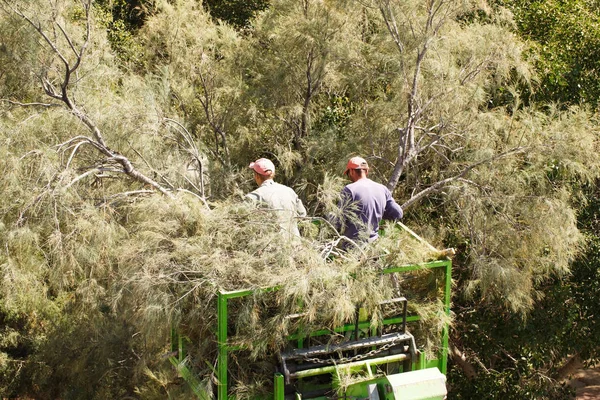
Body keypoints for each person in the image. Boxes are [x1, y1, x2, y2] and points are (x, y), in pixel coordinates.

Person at [335, 156, 403, 244]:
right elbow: (398, 214)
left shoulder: (349, 190)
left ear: (351, 171)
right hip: (373, 248)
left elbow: (338, 222)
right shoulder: (383, 189)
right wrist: (378, 213)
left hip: (352, 249)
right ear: (366, 171)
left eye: (348, 173)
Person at [246, 158, 307, 237]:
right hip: (295, 245)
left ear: (257, 176)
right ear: (273, 173)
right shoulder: (289, 191)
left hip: (270, 246)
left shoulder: (253, 197)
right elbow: (302, 214)